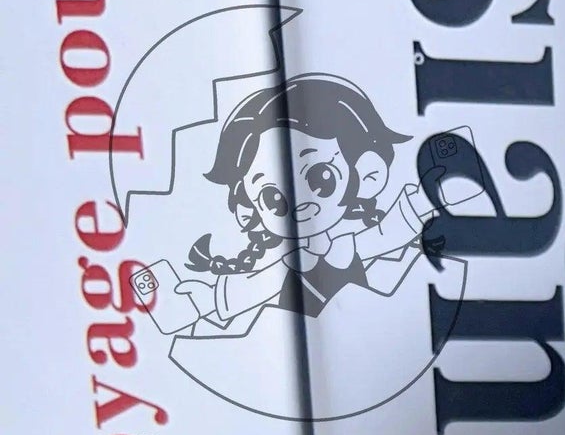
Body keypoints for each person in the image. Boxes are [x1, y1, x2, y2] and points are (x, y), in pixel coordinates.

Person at [138, 75, 430, 338]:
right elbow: (252, 288)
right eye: (272, 198)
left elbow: (390, 233)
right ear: (249, 208)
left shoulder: (348, 245)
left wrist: (427, 195)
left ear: (368, 175)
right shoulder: (291, 263)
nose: (299, 207)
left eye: (321, 179)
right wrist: (203, 299)